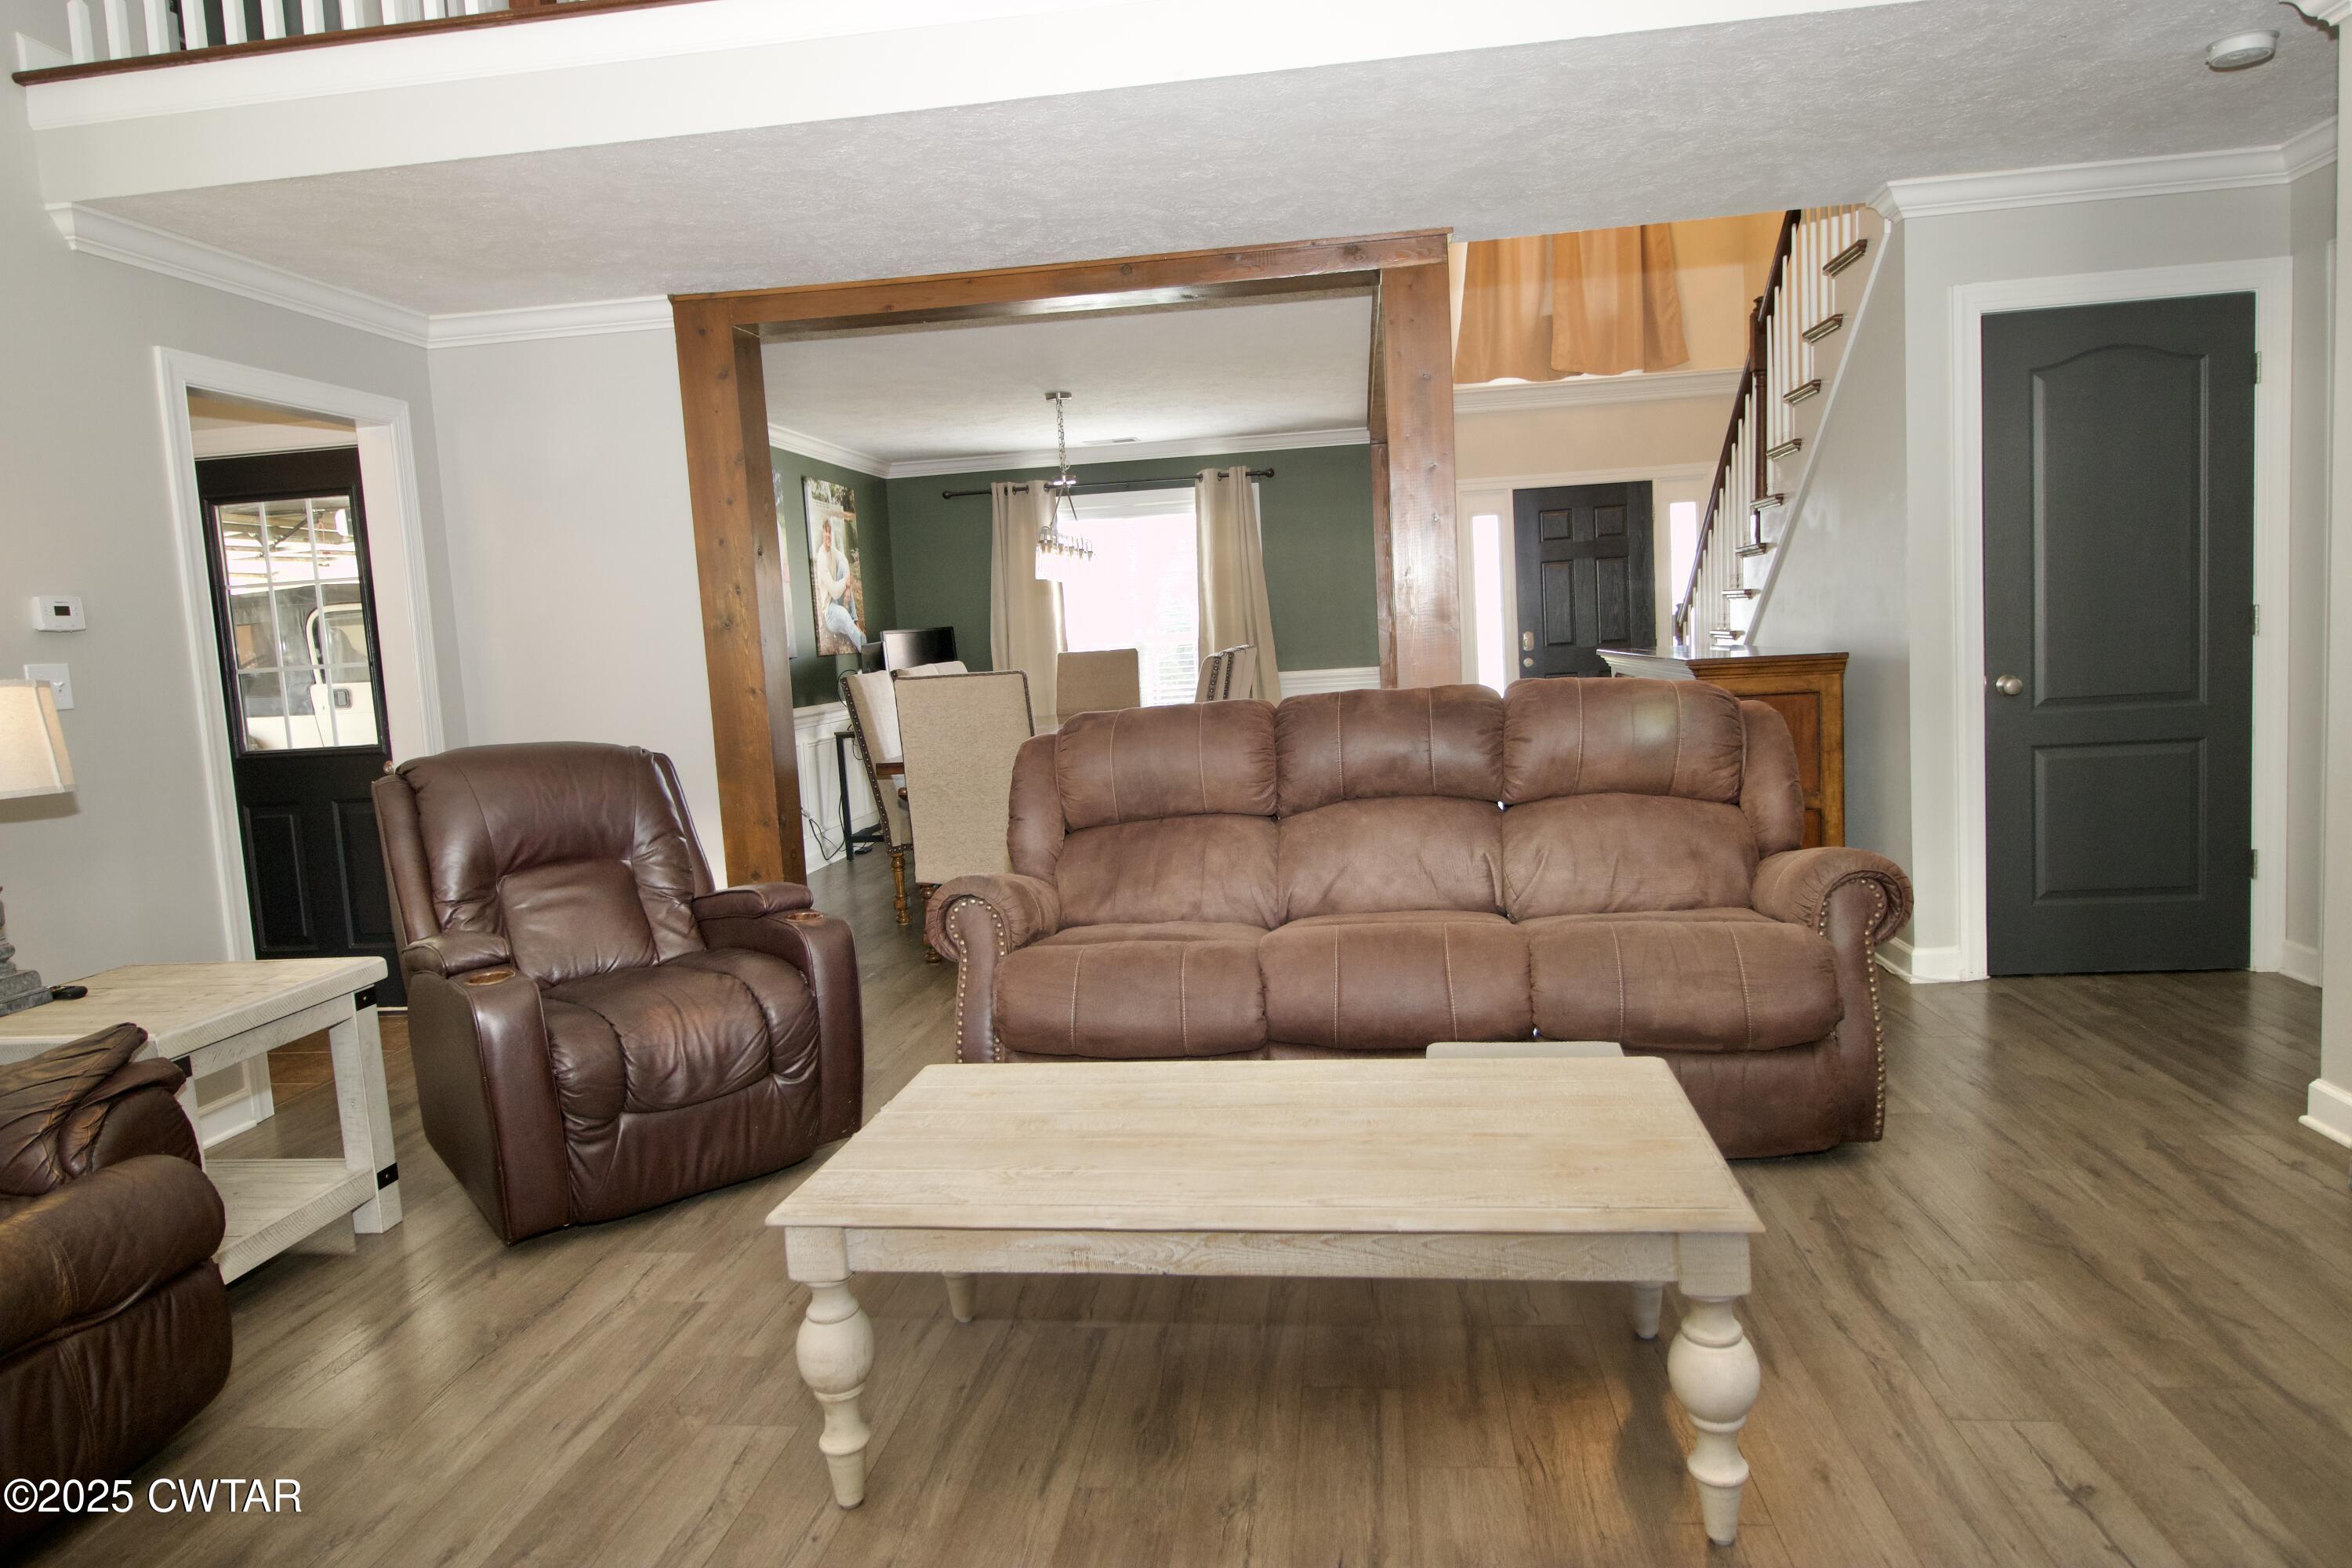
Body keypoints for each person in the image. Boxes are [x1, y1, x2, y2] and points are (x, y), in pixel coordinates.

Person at [814, 517, 864, 650]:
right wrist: (846, 582)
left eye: (830, 531)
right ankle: (867, 649)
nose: (828, 535)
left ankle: (855, 620)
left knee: (842, 566)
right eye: (826, 531)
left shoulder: (833, 550)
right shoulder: (822, 558)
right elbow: (835, 593)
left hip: (837, 601)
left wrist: (847, 587)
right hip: (830, 611)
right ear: (822, 533)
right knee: (843, 614)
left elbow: (844, 560)